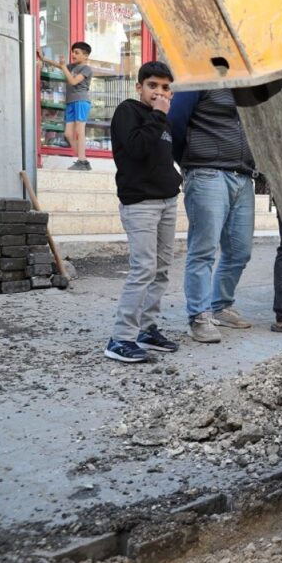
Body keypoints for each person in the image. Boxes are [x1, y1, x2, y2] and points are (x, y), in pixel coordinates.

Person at [104, 61, 181, 363]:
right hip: (141, 204)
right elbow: (135, 149)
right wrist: (159, 115)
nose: (159, 92)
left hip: (167, 201)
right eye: (153, 86)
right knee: (143, 269)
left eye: (165, 88)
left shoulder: (162, 120)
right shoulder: (128, 111)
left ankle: (146, 328)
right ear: (139, 87)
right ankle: (120, 338)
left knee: (161, 269)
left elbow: (163, 156)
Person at [168, 89, 257, 344]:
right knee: (203, 249)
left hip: (243, 176)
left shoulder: (249, 86)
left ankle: (220, 305)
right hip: (207, 172)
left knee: (240, 251)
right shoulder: (200, 79)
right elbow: (174, 121)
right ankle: (198, 316)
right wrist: (188, 161)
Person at [40, 42, 93, 171]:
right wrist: (43, 58)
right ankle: (83, 160)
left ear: (85, 56)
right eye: (73, 52)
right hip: (70, 102)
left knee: (80, 132)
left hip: (81, 101)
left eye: (77, 52)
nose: (73, 54)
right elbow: (59, 66)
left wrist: (64, 67)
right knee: (68, 134)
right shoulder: (72, 67)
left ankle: (81, 160)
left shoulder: (86, 69)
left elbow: (73, 81)